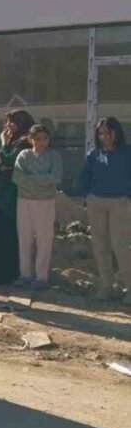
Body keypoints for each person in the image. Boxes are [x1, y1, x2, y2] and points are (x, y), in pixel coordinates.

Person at [79, 117, 131, 303]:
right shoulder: (93, 154)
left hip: (120, 203)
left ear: (116, 132)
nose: (104, 136)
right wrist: (87, 195)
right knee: (100, 245)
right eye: (101, 133)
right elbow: (84, 177)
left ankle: (129, 287)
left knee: (121, 246)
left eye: (108, 132)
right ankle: (107, 286)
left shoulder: (127, 152)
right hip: (96, 203)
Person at [0, 109, 34, 285]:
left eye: (11, 123)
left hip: (13, 196)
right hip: (3, 194)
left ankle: (4, 276)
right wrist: (2, 165)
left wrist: (4, 145)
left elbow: (8, 161)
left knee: (5, 236)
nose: (7, 127)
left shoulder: (24, 143)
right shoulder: (14, 142)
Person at [12, 124, 62, 289]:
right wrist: (42, 180)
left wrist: (32, 179)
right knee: (24, 238)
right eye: (38, 139)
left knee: (44, 239)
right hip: (24, 200)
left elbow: (56, 177)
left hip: (45, 202)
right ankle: (25, 274)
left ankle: (42, 277)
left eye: (45, 139)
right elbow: (17, 177)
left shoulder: (53, 156)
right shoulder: (23, 155)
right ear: (30, 139)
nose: (41, 142)